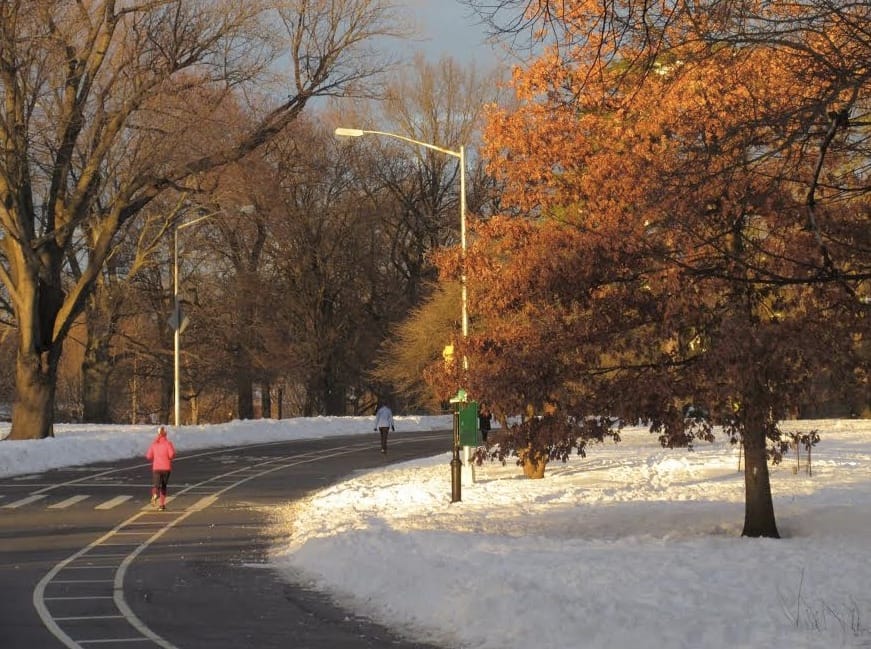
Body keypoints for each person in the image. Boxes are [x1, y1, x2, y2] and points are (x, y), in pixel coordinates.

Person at [146, 425, 176, 511]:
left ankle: (155, 493)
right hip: (166, 468)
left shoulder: (154, 444)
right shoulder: (168, 444)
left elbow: (148, 456)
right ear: (165, 434)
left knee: (156, 485)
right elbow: (171, 455)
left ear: (158, 434)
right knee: (163, 486)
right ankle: (162, 505)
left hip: (156, 468)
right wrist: (170, 457)